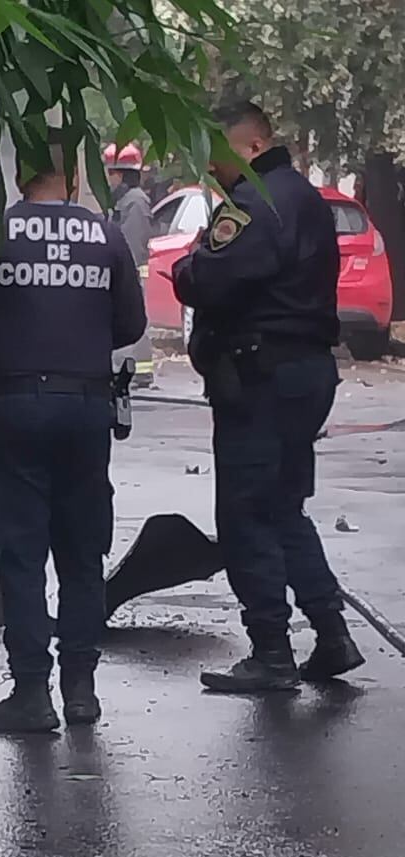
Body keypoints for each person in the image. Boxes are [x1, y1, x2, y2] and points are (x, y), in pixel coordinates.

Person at [0, 130, 146, 733]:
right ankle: (81, 690)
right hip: (86, 412)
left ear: (17, 174)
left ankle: (32, 693)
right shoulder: (106, 236)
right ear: (77, 178)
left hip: (13, 410)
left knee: (21, 555)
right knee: (83, 554)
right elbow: (130, 324)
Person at [172, 101, 363, 693]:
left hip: (262, 375)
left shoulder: (256, 202)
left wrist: (186, 268)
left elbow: (212, 277)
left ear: (251, 146)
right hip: (302, 372)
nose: (211, 168)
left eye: (219, 153)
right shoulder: (303, 195)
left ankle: (271, 653)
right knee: (282, 508)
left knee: (247, 515)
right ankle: (331, 634)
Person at [104, 143, 155, 388]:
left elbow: (132, 241)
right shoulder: (124, 200)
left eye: (111, 173)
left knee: (137, 320)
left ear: (121, 174)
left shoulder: (135, 202)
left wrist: (123, 271)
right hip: (128, 271)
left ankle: (142, 373)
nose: (108, 179)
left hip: (133, 271)